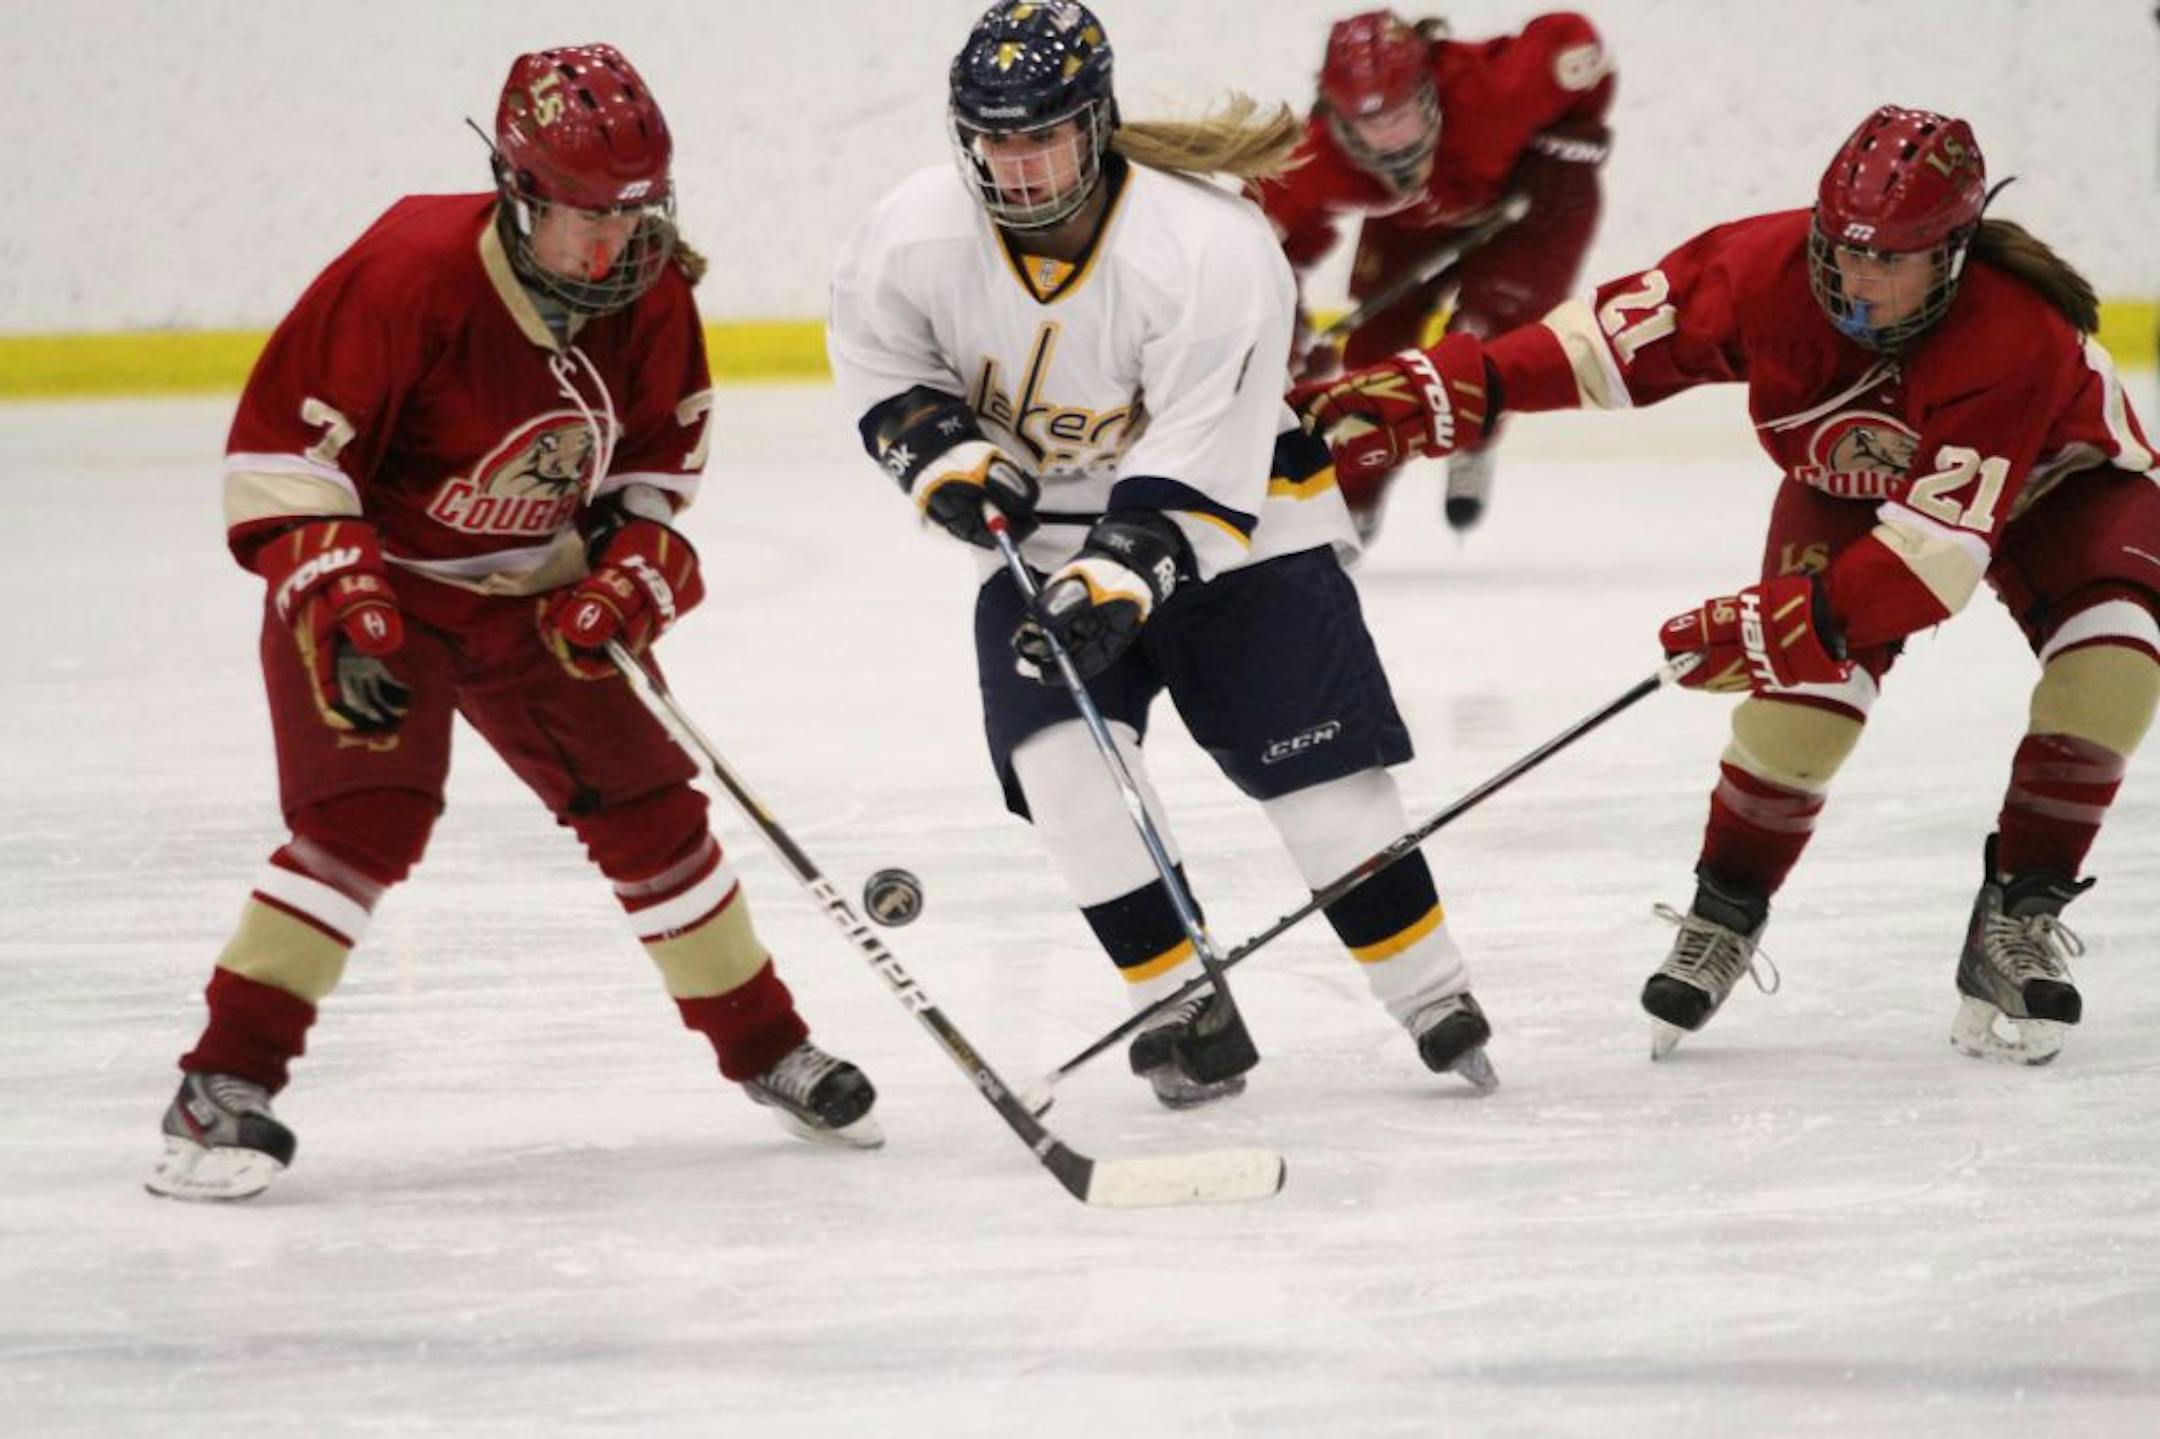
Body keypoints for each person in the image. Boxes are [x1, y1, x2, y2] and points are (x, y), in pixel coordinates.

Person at [149, 44, 881, 1202]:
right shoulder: (407, 271)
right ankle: (222, 1084)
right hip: (382, 593)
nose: (611, 249)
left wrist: (634, 573)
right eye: (583, 219)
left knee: (652, 813)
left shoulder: (652, 288)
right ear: (516, 189)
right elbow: (286, 457)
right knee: (363, 824)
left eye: (635, 218)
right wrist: (341, 595)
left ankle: (768, 1048)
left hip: (535, 603)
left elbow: (655, 478)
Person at [1295, 105, 2158, 1063]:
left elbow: (1934, 558)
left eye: (1891, 262)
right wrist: (1462, 386)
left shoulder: (2013, 335)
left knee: (2115, 661)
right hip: (1851, 484)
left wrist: (1788, 618)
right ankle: (1725, 909)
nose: (1856, 280)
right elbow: (1600, 348)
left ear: (1953, 255)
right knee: (1802, 711)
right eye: (1843, 250)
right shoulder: (1760, 265)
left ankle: (2022, 910)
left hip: (2064, 484)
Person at [826, 0, 1497, 1109]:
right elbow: (883, 362)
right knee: (1062, 770)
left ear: (1095, 124)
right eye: (993, 140)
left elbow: (1208, 444)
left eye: (1038, 137)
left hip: (1246, 538)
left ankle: (1432, 994)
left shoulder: (1207, 243)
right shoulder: (910, 232)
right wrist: (939, 457)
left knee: (1320, 787)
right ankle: (1185, 1005)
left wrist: (1129, 566)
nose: (1017, 165)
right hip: (1040, 545)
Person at [1249, 8, 1612, 541]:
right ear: (1336, 114)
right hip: (1415, 216)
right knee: (1372, 358)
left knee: (1481, 344)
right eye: (1367, 124)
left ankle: (1477, 436)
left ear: (1428, 91)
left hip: (1536, 209)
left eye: (1399, 114)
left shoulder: (1489, 93)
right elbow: (1255, 253)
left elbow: (1574, 43)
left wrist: (1571, 139)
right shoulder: (1318, 154)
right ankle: (1354, 500)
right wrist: (1286, 338)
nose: (1389, 139)